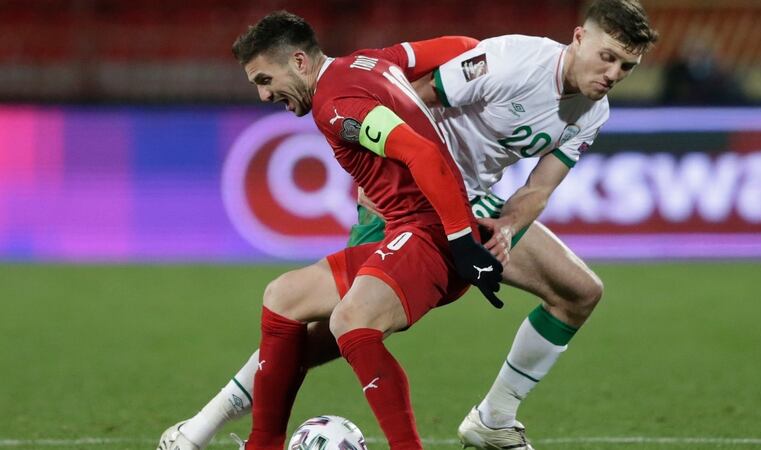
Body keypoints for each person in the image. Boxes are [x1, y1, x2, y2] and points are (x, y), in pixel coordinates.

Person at [157, 1, 658, 449]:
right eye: (607, 56)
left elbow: (538, 189)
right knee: (326, 330)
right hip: (414, 199)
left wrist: (504, 229)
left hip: (470, 203)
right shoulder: (513, 62)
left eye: (627, 66)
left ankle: (494, 419)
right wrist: (381, 163)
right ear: (578, 37)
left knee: (578, 293)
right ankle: (205, 425)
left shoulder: (593, 111)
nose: (613, 72)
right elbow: (417, 98)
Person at [206, 10, 504, 450]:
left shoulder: (336, 109)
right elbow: (462, 46)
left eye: (265, 80)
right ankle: (263, 443)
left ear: (301, 63)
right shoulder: (370, 61)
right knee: (283, 297)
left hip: (430, 236)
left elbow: (421, 154)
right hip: (418, 232)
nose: (264, 95)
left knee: (350, 321)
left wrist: (461, 242)